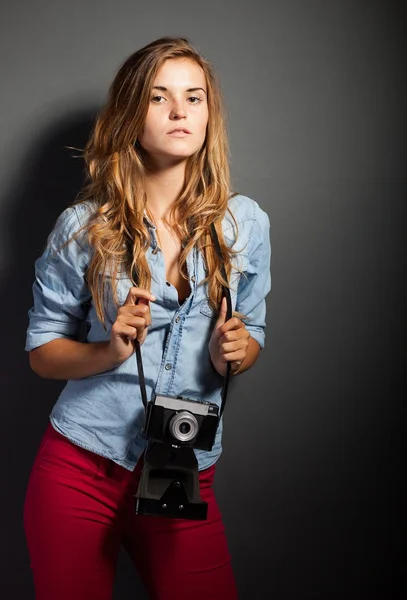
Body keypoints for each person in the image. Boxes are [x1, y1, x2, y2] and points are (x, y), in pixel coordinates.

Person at [23, 36, 271, 600]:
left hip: (182, 466)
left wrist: (234, 351)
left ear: (210, 113)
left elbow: (252, 334)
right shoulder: (83, 227)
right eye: (159, 98)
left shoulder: (246, 224)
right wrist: (109, 352)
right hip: (81, 466)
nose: (180, 111)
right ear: (131, 115)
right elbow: (42, 351)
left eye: (194, 97)